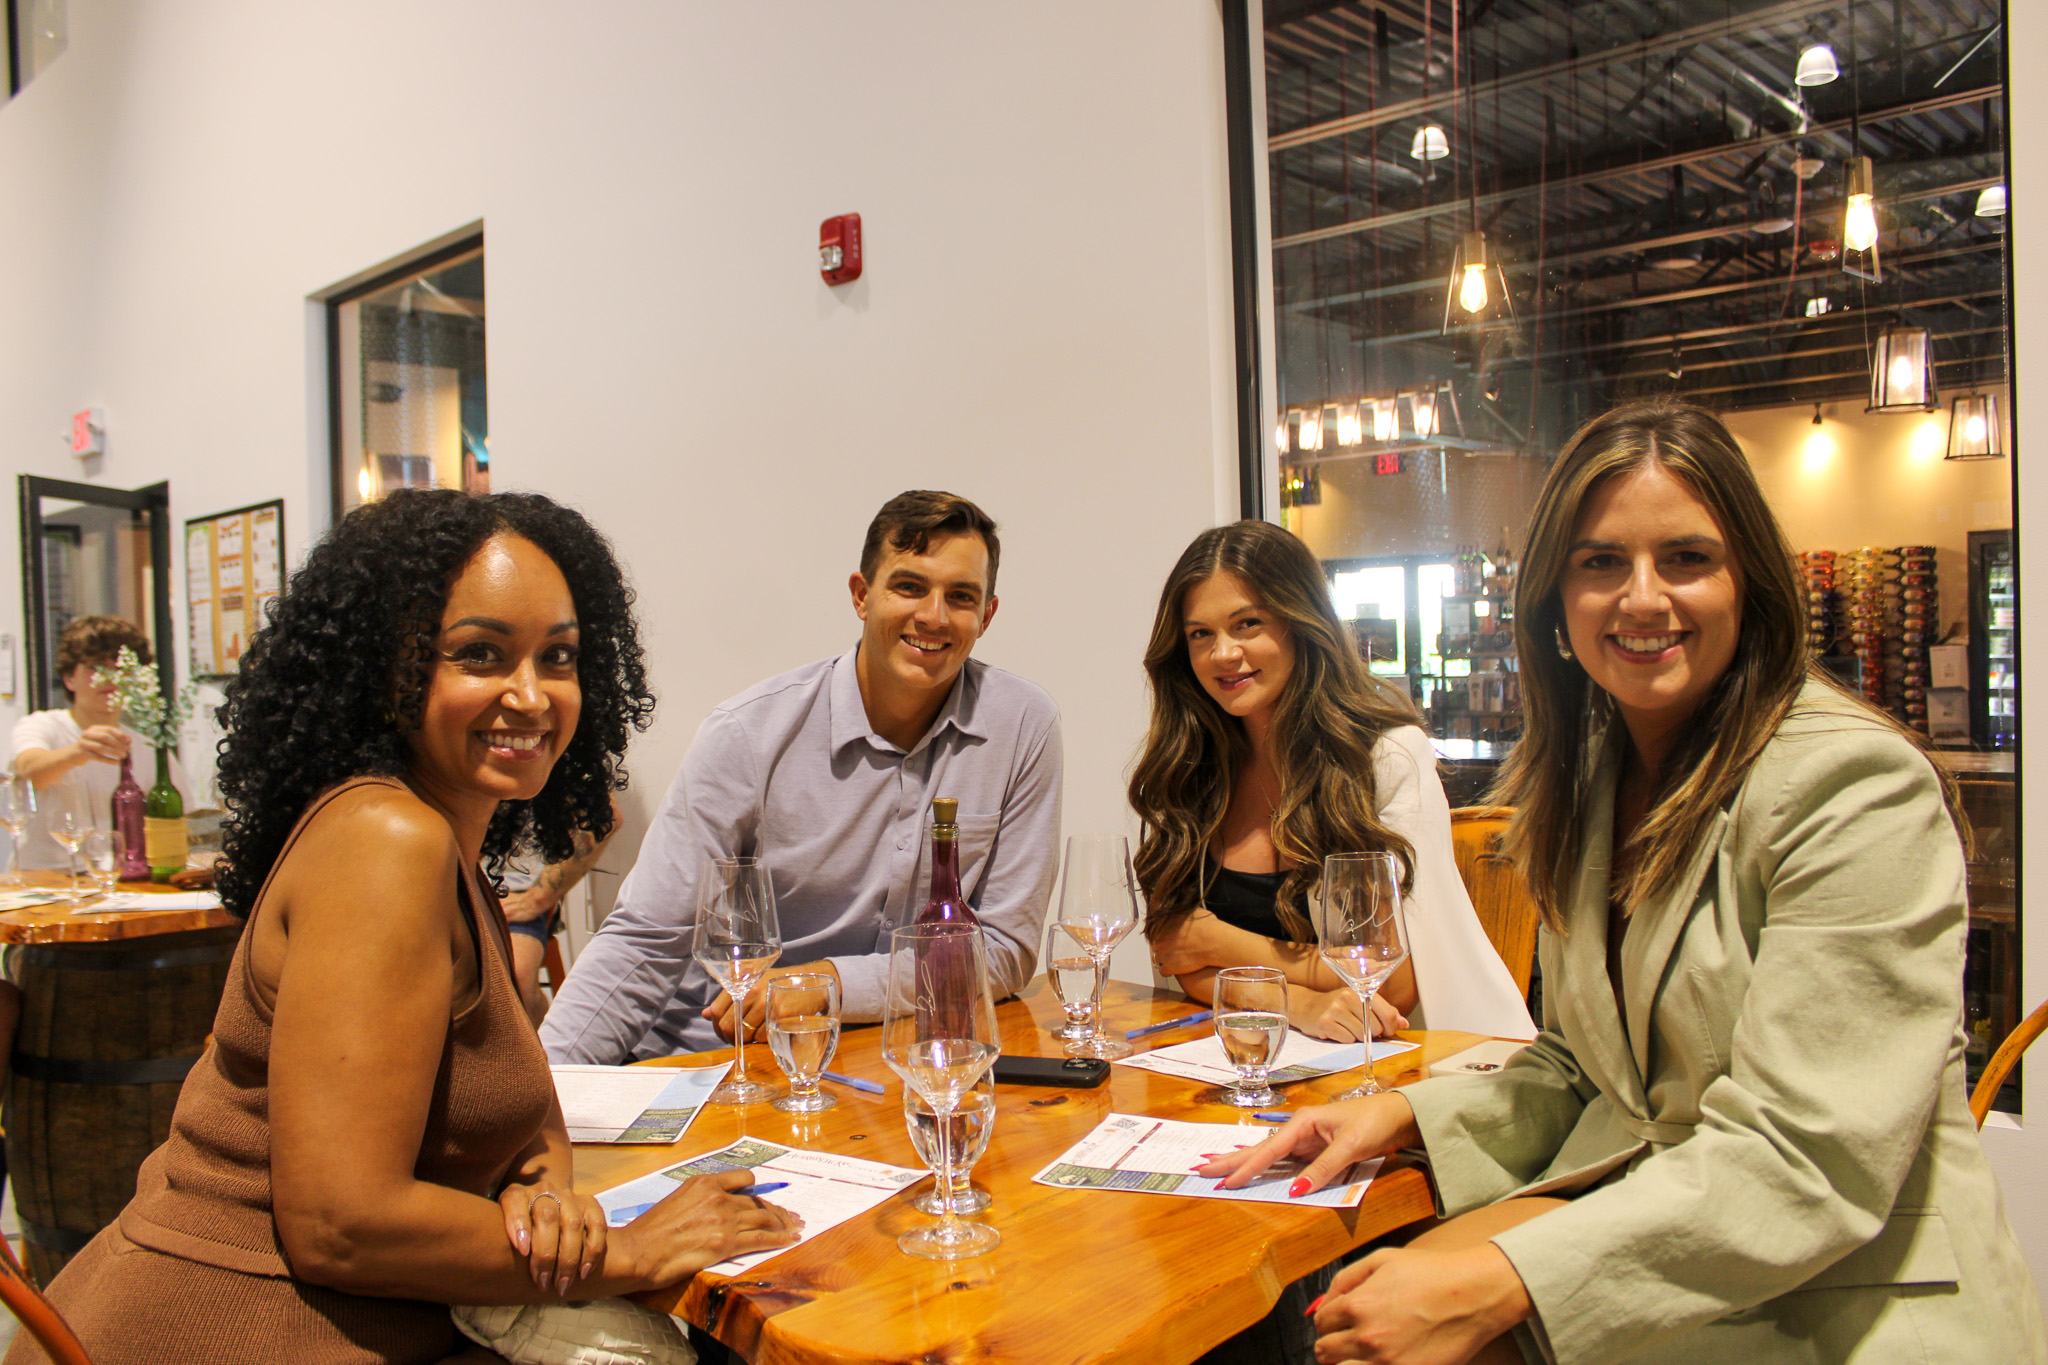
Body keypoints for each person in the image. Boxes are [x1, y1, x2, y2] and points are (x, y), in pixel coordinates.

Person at [1204, 401, 2047, 1365]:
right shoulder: (1594, 774)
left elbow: (1807, 1158)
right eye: (1601, 562)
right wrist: (1399, 1113)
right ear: (1556, 602)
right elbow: (1582, 1069)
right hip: (1671, 1261)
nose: (1642, 597)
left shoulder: (1853, 785)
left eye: (1685, 558)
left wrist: (1504, 1281)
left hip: (1840, 1309)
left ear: (1751, 582)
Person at [8, 490, 799, 1365]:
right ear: (386, 667)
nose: (531, 694)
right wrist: (628, 1250)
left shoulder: (441, 840)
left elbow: (521, 1101)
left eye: (560, 657)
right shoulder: (387, 844)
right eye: (480, 654)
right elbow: (339, 1225)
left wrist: (543, 1188)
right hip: (236, 1326)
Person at [542, 489, 1061, 1063]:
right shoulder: (748, 732)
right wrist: (543, 1090)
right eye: (909, 586)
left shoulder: (1023, 726)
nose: (934, 616)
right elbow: (647, 936)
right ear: (862, 597)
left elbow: (1004, 951)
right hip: (722, 1056)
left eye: (960, 597)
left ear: (986, 616)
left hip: (882, 1059)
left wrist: (830, 986)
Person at [1130, 521, 1534, 1044]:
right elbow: (1175, 954)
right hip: (1262, 1059)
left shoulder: (1387, 756)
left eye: (1247, 624)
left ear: (1301, 623)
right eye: (1200, 634)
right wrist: (1297, 1001)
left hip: (1415, 1061)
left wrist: (1215, 939)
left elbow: (1389, 981)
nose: (1223, 653)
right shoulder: (1191, 766)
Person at [10, 615, 192, 869]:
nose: (111, 678)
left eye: (121, 668)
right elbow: (30, 770)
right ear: (69, 678)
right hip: (46, 880)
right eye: (96, 667)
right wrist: (78, 752)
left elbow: (186, 823)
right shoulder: (43, 725)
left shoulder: (149, 747)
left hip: (123, 884)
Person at [500, 797, 620, 1024]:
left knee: (517, 981)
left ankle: (535, 1052)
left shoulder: (568, 763)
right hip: (442, 882)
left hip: (514, 891)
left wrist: (535, 900)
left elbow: (604, 816)